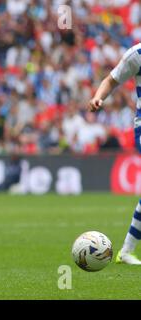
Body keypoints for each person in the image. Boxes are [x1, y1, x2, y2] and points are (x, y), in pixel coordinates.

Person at [89, 42, 141, 265]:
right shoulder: (137, 54)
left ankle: (127, 251)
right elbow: (111, 80)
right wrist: (98, 97)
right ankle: (127, 251)